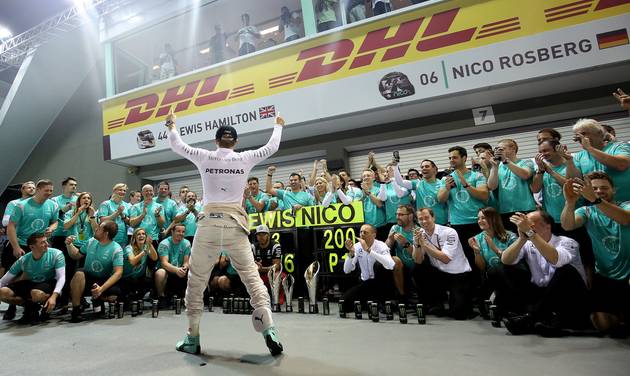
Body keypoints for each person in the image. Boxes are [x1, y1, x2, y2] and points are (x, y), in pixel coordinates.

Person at [165, 109, 286, 355]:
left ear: (216, 141)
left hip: (208, 224)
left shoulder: (204, 155)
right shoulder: (245, 158)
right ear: (236, 142)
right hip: (234, 226)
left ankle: (192, 338)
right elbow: (272, 147)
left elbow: (176, 144)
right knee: (252, 279)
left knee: (196, 282)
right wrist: (279, 124)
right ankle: (269, 329)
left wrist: (171, 124)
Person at [560, 172, 630, 336]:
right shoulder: (587, 211)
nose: (599, 191)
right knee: (602, 325)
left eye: (604, 188)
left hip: (628, 274)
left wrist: (595, 200)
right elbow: (568, 225)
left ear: (614, 189)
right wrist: (570, 202)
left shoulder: (626, 205)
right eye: (595, 188)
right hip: (605, 274)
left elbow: (626, 219)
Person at [501, 211, 589, 336]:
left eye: (530, 224)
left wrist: (531, 234)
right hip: (543, 293)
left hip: (569, 296)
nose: (526, 228)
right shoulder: (528, 243)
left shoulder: (567, 242)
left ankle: (530, 317)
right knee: (506, 269)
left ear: (547, 226)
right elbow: (506, 260)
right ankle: (538, 317)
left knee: (566, 270)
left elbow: (556, 260)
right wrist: (521, 239)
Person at [2, 179, 59, 320]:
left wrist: (51, 228)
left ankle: (32, 306)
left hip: (40, 246)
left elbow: (55, 221)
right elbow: (10, 226)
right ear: (38, 190)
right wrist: (15, 247)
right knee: (15, 277)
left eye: (51, 191)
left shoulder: (52, 205)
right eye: (46, 190)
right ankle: (12, 306)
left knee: (35, 276)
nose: (49, 193)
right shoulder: (21, 205)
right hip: (21, 244)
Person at [413, 208, 474, 319]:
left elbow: (445, 258)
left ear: (433, 218)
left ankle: (455, 301)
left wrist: (424, 244)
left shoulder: (449, 232)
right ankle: (434, 303)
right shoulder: (419, 233)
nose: (424, 221)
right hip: (439, 274)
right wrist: (417, 244)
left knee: (458, 314)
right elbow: (418, 260)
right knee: (418, 269)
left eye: (427, 217)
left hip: (458, 275)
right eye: (420, 219)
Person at [437, 146, 489, 269]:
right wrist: (447, 188)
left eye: (454, 157)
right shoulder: (446, 179)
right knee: (466, 257)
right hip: (458, 224)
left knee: (483, 254)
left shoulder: (477, 176)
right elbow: (440, 199)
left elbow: (484, 195)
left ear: (464, 158)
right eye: (450, 158)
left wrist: (465, 184)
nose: (451, 160)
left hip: (477, 222)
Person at [0, 233, 65, 324]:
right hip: (31, 283)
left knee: (36, 293)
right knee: (3, 292)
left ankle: (45, 305)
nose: (47, 244)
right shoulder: (23, 260)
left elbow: (62, 277)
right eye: (42, 242)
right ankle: (30, 307)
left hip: (48, 283)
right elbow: (4, 280)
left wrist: (54, 297)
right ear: (32, 247)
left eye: (46, 241)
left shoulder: (56, 254)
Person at [67, 221, 124, 323]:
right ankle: (76, 310)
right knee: (79, 274)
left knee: (112, 297)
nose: (96, 229)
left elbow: (118, 273)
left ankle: (98, 299)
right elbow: (76, 255)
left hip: (104, 280)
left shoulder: (116, 249)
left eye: (99, 228)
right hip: (89, 277)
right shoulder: (91, 241)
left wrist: (101, 289)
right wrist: (69, 244)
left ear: (106, 233)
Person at [468, 207, 519, 316]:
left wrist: (494, 247)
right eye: (478, 218)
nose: (480, 221)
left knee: (499, 269)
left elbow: (512, 261)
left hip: (511, 274)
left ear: (493, 219)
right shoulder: (477, 239)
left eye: (483, 218)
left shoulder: (511, 236)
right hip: (490, 277)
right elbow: (482, 267)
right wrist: (476, 252)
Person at [565, 118, 630, 202]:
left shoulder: (619, 147)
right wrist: (569, 161)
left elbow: (621, 165)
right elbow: (574, 180)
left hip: (625, 204)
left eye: (584, 134)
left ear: (599, 133)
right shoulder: (579, 156)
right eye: (578, 136)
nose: (580, 138)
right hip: (597, 208)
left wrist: (589, 148)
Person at [342, 224, 395, 313]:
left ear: (374, 235)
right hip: (365, 283)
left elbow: (391, 264)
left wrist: (369, 250)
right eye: (361, 232)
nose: (362, 234)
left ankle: (380, 301)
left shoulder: (381, 245)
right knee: (343, 303)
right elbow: (346, 270)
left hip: (380, 283)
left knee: (378, 265)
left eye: (365, 232)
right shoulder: (357, 246)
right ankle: (367, 303)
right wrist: (351, 253)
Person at [487, 139, 537, 228]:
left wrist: (506, 161)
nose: (498, 152)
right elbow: (492, 186)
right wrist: (494, 167)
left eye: (501, 149)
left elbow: (525, 175)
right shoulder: (498, 166)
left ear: (513, 149)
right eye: (497, 149)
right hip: (505, 210)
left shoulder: (526, 162)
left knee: (529, 237)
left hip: (525, 209)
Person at [394, 159, 447, 225]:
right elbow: (400, 182)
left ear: (434, 169)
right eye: (422, 167)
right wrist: (395, 166)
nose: (424, 168)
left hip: (441, 223)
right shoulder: (417, 183)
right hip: (423, 224)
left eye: (427, 166)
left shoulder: (443, 183)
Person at [386, 204, 420, 303]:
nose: (397, 217)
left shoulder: (418, 230)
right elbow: (384, 250)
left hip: (416, 266)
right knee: (394, 260)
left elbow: (418, 256)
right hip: (401, 266)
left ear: (410, 216)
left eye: (401, 215)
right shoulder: (395, 228)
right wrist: (390, 240)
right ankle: (402, 296)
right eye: (397, 214)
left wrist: (405, 243)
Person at [154, 224, 191, 305]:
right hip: (167, 270)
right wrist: (177, 270)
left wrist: (184, 267)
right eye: (178, 231)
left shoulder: (187, 243)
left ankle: (190, 297)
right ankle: (161, 296)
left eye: (183, 232)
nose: (181, 233)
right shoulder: (164, 244)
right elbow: (164, 263)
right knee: (160, 273)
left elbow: (186, 261)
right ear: (172, 232)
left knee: (193, 272)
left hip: (180, 270)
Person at [121, 228, 158, 302]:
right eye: (139, 234)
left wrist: (149, 244)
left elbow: (155, 257)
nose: (141, 236)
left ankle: (137, 297)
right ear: (134, 237)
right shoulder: (129, 248)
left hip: (139, 278)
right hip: (126, 278)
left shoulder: (145, 246)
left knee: (150, 280)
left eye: (143, 234)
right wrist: (144, 252)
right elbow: (132, 262)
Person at [98, 183, 131, 248]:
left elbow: (130, 222)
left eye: (124, 191)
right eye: (120, 190)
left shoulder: (128, 205)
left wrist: (123, 216)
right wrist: (117, 213)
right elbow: (102, 220)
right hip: (108, 238)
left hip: (123, 239)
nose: (122, 192)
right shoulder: (106, 204)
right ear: (114, 191)